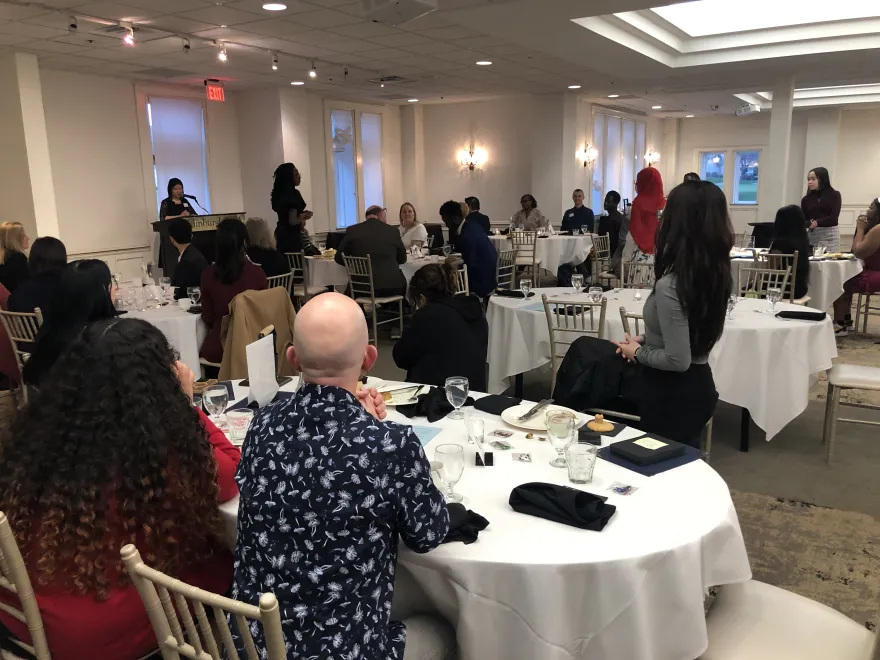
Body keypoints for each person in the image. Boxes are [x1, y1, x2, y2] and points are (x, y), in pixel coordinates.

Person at [0, 318, 240, 660]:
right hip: (93, 633)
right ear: (157, 385)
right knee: (230, 562)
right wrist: (185, 408)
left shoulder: (51, 435)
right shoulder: (155, 454)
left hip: (26, 609)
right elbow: (231, 475)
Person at [232, 293, 453, 659]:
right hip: (345, 650)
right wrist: (370, 432)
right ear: (369, 357)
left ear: (292, 358)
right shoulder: (392, 446)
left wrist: (362, 424)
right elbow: (428, 534)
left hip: (255, 646)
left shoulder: (263, 424)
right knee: (442, 629)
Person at [614, 181, 732, 446]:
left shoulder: (672, 284)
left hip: (671, 393)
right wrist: (643, 340)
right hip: (697, 386)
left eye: (665, 213)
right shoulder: (714, 273)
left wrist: (637, 353)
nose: (660, 217)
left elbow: (678, 359)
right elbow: (688, 331)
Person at [394, 262, 489, 390]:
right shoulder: (474, 311)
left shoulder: (427, 315)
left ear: (421, 299)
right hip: (475, 391)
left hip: (439, 397)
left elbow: (401, 358)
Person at [22, 262, 118, 388]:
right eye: (111, 284)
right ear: (102, 292)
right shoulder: (95, 341)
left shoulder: (53, 330)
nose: (116, 288)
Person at [200, 218, 267, 364]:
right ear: (244, 243)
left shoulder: (208, 274)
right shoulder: (257, 273)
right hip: (255, 345)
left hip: (222, 347)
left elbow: (208, 317)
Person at [335, 205, 407, 297]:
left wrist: (356, 264)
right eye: (385, 217)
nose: (385, 220)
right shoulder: (392, 231)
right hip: (391, 286)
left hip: (360, 287)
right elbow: (402, 259)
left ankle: (359, 310)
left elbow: (338, 258)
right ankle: (392, 308)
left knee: (349, 289)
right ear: (379, 214)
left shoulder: (352, 230)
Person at [832, 198, 880, 336]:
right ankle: (846, 321)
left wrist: (860, 229)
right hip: (874, 270)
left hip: (876, 273)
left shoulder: (878, 229)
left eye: (871, 208)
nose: (867, 211)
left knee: (841, 278)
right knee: (849, 274)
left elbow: (858, 251)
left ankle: (840, 324)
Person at [440, 200, 498, 297]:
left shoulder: (467, 235)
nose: (446, 225)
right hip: (490, 277)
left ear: (455, 218)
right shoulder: (472, 226)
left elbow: (470, 265)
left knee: (443, 281)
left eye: (446, 222)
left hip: (480, 283)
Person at [8, 236, 67, 315]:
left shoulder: (17, 294)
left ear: (32, 260)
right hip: (60, 327)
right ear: (62, 257)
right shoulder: (69, 287)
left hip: (28, 327)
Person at [271, 162, 317, 254]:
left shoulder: (278, 195)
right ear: (289, 178)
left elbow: (286, 215)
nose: (299, 177)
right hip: (292, 237)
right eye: (296, 175)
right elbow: (292, 221)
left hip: (280, 234)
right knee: (298, 264)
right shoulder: (293, 195)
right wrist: (303, 215)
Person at [624, 167, 665, 264]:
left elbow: (635, 230)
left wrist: (625, 258)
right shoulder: (665, 203)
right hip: (660, 255)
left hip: (642, 257)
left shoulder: (638, 203)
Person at [769, 205, 811, 301]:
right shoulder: (803, 242)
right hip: (800, 288)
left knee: (745, 289)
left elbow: (770, 270)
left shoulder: (779, 244)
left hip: (778, 289)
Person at [167, 216, 208, 299]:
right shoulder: (194, 253)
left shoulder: (187, 261)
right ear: (191, 236)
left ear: (172, 239)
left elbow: (181, 292)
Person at [802, 167, 841, 251]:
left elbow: (833, 218)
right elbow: (803, 219)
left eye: (813, 179)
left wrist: (818, 222)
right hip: (813, 235)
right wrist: (809, 223)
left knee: (829, 261)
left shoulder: (834, 195)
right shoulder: (806, 199)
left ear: (822, 179)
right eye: (808, 179)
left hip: (830, 235)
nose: (810, 182)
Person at [0, 222, 30, 293]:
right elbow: (25, 287)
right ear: (14, 239)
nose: (28, 238)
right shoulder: (18, 258)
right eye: (23, 236)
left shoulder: (4, 259)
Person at [608, 191, 630, 277]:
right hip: (621, 249)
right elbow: (622, 242)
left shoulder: (621, 218)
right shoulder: (625, 219)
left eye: (608, 201)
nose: (605, 203)